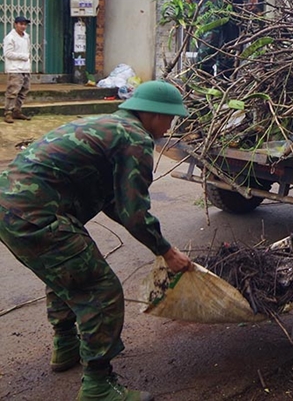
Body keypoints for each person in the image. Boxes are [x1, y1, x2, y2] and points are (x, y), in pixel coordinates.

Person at [0, 81, 193, 401]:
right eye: (169, 118)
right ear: (152, 114)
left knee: (69, 273)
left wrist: (157, 244)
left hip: (12, 208)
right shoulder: (135, 139)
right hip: (37, 215)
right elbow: (134, 212)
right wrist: (166, 251)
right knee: (100, 291)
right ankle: (98, 386)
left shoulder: (107, 124)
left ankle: (65, 346)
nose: (170, 125)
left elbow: (114, 203)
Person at [4, 15, 32, 123]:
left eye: (25, 24)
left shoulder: (26, 36)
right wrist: (23, 56)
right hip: (15, 69)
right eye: (21, 24)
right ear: (15, 24)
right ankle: (8, 113)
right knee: (12, 91)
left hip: (25, 68)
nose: (23, 26)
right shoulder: (10, 37)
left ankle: (17, 111)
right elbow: (7, 53)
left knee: (24, 91)